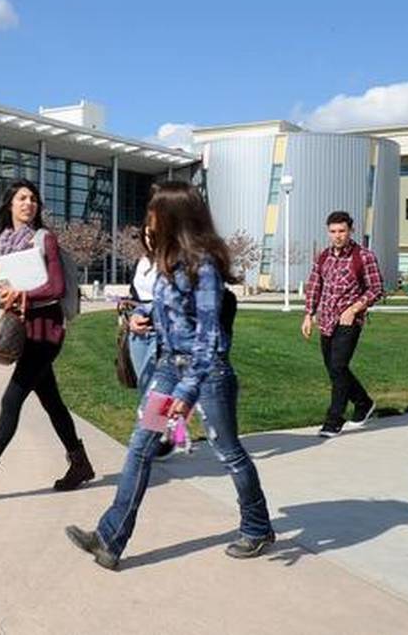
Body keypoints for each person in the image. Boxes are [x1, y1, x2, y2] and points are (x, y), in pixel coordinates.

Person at [66, 182, 273, 569]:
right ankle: (110, 538)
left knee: (229, 453)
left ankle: (258, 526)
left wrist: (189, 390)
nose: (149, 220)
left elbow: (209, 334)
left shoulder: (203, 265)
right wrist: (146, 319)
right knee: (141, 446)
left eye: (154, 213)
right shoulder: (165, 261)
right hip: (167, 366)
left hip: (207, 373)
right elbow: (177, 317)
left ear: (175, 216)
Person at [0, 179, 95, 501]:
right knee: (52, 401)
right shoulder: (5, 242)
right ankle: (79, 463)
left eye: (33, 199)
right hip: (25, 327)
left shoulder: (45, 240)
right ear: (10, 204)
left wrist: (22, 293)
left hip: (46, 330)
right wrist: (4, 296)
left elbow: (56, 288)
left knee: (11, 400)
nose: (29, 203)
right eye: (22, 198)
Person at [303, 210, 384, 438]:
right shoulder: (323, 257)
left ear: (351, 230)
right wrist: (309, 314)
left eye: (342, 231)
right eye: (333, 231)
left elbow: (376, 289)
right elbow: (315, 284)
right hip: (326, 320)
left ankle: (334, 420)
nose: (337, 236)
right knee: (334, 369)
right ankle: (363, 403)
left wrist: (354, 308)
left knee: (338, 366)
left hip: (349, 320)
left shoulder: (364, 256)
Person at [125, 225, 176, 459]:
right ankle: (165, 434)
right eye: (146, 234)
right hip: (139, 333)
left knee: (157, 391)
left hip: (161, 333)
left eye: (154, 233)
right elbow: (134, 297)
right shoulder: (142, 262)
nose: (150, 238)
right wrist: (132, 318)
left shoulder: (174, 261)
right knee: (144, 385)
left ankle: (153, 441)